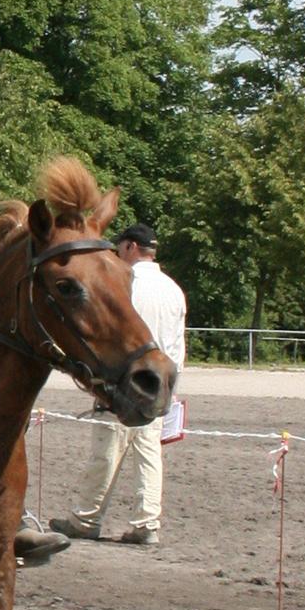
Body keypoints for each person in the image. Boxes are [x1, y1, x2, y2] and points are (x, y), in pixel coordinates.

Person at [51, 223, 187, 547]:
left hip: (124, 382)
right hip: (158, 385)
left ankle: (86, 518)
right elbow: (177, 346)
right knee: (149, 456)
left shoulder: (124, 282)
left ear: (129, 247)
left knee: (106, 453)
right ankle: (147, 522)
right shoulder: (173, 290)